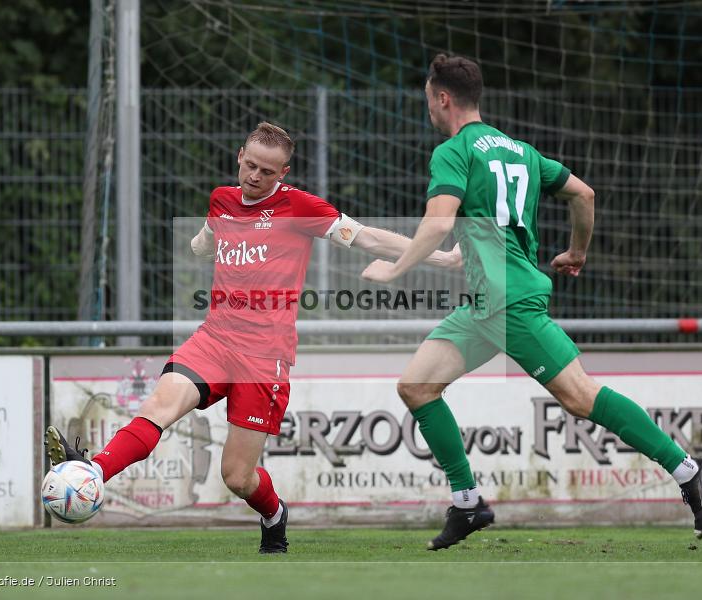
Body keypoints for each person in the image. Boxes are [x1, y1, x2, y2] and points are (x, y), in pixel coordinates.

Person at [46, 122, 459, 554]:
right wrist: (201, 244)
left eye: (268, 171)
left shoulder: (299, 206)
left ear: (283, 173)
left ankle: (274, 514)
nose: (256, 177)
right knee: (159, 405)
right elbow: (207, 238)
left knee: (237, 476)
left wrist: (443, 258)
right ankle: (93, 472)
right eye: (251, 165)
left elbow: (367, 237)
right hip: (214, 340)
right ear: (240, 155)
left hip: (264, 357)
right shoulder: (221, 199)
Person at [362, 54, 702, 550]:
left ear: (441, 99)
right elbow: (584, 195)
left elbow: (440, 224)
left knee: (580, 397)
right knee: (417, 386)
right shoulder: (519, 150)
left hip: (509, 303)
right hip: (487, 304)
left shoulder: (453, 150)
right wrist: (577, 251)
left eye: (428, 100)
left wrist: (394, 269)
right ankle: (468, 503)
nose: (428, 109)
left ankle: (687, 469)